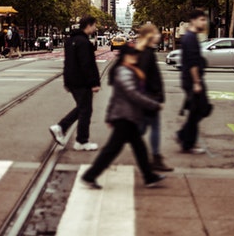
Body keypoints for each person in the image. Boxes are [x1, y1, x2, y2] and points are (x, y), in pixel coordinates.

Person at [81, 43, 165, 189]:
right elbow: (133, 94)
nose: (135, 57)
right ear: (125, 57)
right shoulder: (125, 72)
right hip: (124, 117)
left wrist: (109, 116)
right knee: (112, 150)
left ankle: (149, 176)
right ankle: (90, 175)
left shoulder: (129, 70)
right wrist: (154, 104)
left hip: (126, 116)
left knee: (139, 148)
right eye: (132, 54)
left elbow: (115, 98)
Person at [49, 15, 101, 151]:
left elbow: (68, 63)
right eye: (94, 25)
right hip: (82, 82)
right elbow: (87, 64)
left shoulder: (70, 40)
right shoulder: (84, 43)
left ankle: (62, 127)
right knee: (86, 110)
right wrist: (94, 82)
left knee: (82, 108)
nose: (95, 28)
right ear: (88, 26)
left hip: (72, 80)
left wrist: (67, 81)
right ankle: (81, 140)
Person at [136, 23, 172, 172]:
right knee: (149, 128)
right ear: (150, 36)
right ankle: (155, 158)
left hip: (149, 98)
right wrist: (154, 97)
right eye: (157, 32)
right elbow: (143, 77)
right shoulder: (147, 53)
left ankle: (155, 157)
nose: (159, 34)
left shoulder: (147, 52)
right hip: (150, 99)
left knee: (142, 129)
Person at [177, 9, 209, 154]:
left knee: (198, 110)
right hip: (192, 81)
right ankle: (187, 141)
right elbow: (192, 63)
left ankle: (184, 136)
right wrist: (196, 82)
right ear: (194, 20)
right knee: (199, 110)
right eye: (202, 20)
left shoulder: (192, 37)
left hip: (191, 80)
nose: (204, 22)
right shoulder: (190, 38)